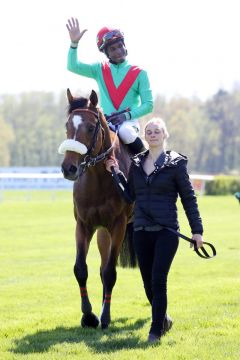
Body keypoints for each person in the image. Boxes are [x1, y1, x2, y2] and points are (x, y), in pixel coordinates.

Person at [105, 118, 204, 343]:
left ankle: (155, 331)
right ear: (144, 137)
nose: (152, 134)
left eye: (156, 131)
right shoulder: (137, 163)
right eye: (148, 131)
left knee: (158, 279)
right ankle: (164, 319)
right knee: (148, 282)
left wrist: (197, 231)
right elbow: (129, 195)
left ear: (164, 134)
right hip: (140, 230)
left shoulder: (176, 164)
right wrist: (116, 173)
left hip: (167, 231)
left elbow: (189, 199)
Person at [66, 17, 153, 154]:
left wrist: (126, 116)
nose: (118, 51)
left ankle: (148, 163)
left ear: (125, 45)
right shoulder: (99, 69)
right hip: (105, 121)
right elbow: (72, 66)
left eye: (120, 46)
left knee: (126, 133)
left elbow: (148, 105)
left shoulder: (140, 73)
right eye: (112, 49)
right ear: (106, 53)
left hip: (128, 123)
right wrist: (74, 43)